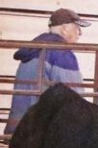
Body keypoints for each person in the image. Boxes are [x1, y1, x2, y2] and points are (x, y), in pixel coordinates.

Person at [4, 8, 89, 136]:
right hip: (42, 133)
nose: (80, 33)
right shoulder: (61, 53)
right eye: (77, 28)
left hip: (19, 129)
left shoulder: (33, 50)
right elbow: (76, 98)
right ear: (65, 28)